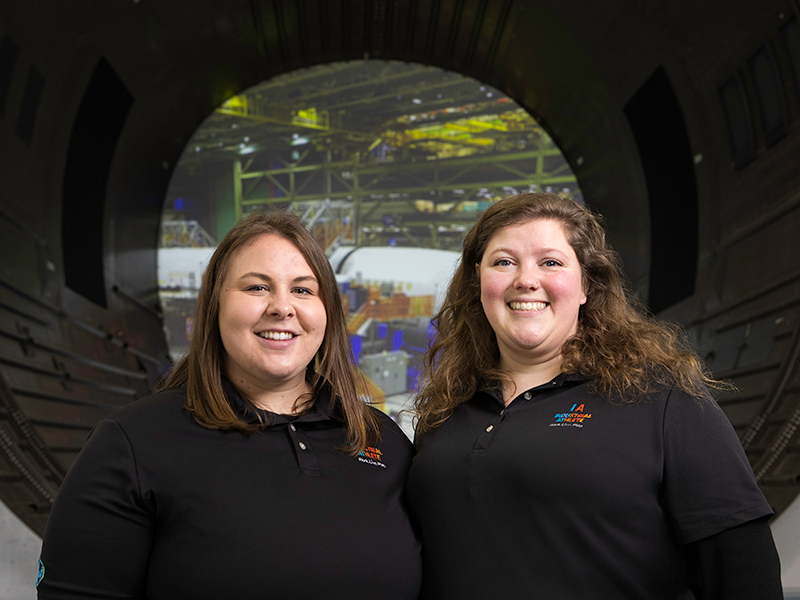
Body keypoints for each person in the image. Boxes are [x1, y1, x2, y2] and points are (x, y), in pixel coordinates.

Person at [407, 193, 782, 599]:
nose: (525, 279)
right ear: (478, 281)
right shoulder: (444, 412)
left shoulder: (662, 400)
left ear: (586, 284)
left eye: (550, 262)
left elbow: (743, 571)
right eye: (504, 261)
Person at [38, 211, 421, 600]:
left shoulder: (381, 439)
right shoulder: (133, 444)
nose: (282, 307)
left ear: (327, 313)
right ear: (214, 305)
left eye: (303, 290)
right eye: (257, 288)